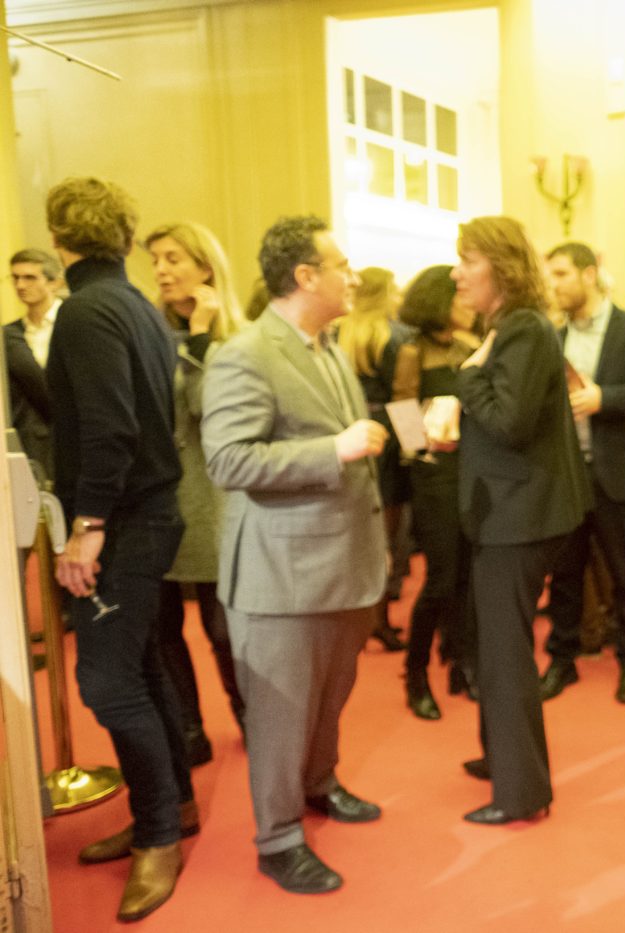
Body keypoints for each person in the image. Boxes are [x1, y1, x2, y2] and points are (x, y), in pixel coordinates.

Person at [201, 215, 387, 894]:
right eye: (341, 265)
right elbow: (228, 459)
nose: (352, 276)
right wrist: (333, 450)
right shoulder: (246, 353)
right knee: (281, 714)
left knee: (329, 697)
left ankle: (318, 782)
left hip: (342, 563)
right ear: (305, 276)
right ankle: (278, 839)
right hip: (281, 575)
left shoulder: (326, 345)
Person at [44, 177, 191, 922]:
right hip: (146, 514)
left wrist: (87, 526)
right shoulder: (133, 303)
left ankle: (159, 833)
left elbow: (111, 427)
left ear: (58, 239)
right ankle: (173, 807)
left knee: (106, 682)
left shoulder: (87, 309)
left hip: (126, 520)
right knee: (137, 667)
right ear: (126, 238)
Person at [453, 216, 591, 824]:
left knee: (506, 654)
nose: (457, 273)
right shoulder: (511, 327)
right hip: (513, 513)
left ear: (501, 268)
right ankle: (503, 759)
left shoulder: (524, 329)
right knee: (495, 645)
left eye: (468, 260)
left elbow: (508, 423)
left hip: (520, 517)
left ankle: (521, 792)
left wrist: (466, 376)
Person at [145, 223, 247, 765]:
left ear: (205, 268)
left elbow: (211, 411)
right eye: (156, 260)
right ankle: (189, 731)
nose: (161, 270)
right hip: (160, 499)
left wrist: (201, 335)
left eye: (173, 258)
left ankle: (251, 716)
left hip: (216, 500)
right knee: (164, 630)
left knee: (223, 628)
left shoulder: (236, 338)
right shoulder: (150, 336)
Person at [539, 242, 625, 704]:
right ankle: (562, 660)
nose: (553, 285)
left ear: (588, 275)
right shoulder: (552, 336)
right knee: (564, 577)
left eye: (561, 274)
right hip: (566, 476)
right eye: (550, 275)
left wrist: (605, 399)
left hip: (616, 472)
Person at [391, 265, 478, 719]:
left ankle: (461, 662)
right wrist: (428, 444)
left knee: (467, 576)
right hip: (434, 475)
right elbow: (403, 417)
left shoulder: (469, 346)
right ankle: (416, 671)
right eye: (458, 296)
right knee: (441, 579)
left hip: (472, 472)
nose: (468, 302)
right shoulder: (412, 352)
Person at [338, 266, 410, 651]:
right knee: (386, 535)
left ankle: (355, 619)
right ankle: (378, 618)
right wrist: (416, 445)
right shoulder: (393, 336)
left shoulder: (338, 332)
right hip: (388, 438)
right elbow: (405, 397)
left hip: (348, 434)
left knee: (354, 535)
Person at [6, 248, 64, 479]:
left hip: (69, 437)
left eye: (30, 277)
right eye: (16, 278)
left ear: (54, 282)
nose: (20, 285)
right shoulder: (10, 334)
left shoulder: (73, 322)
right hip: (29, 443)